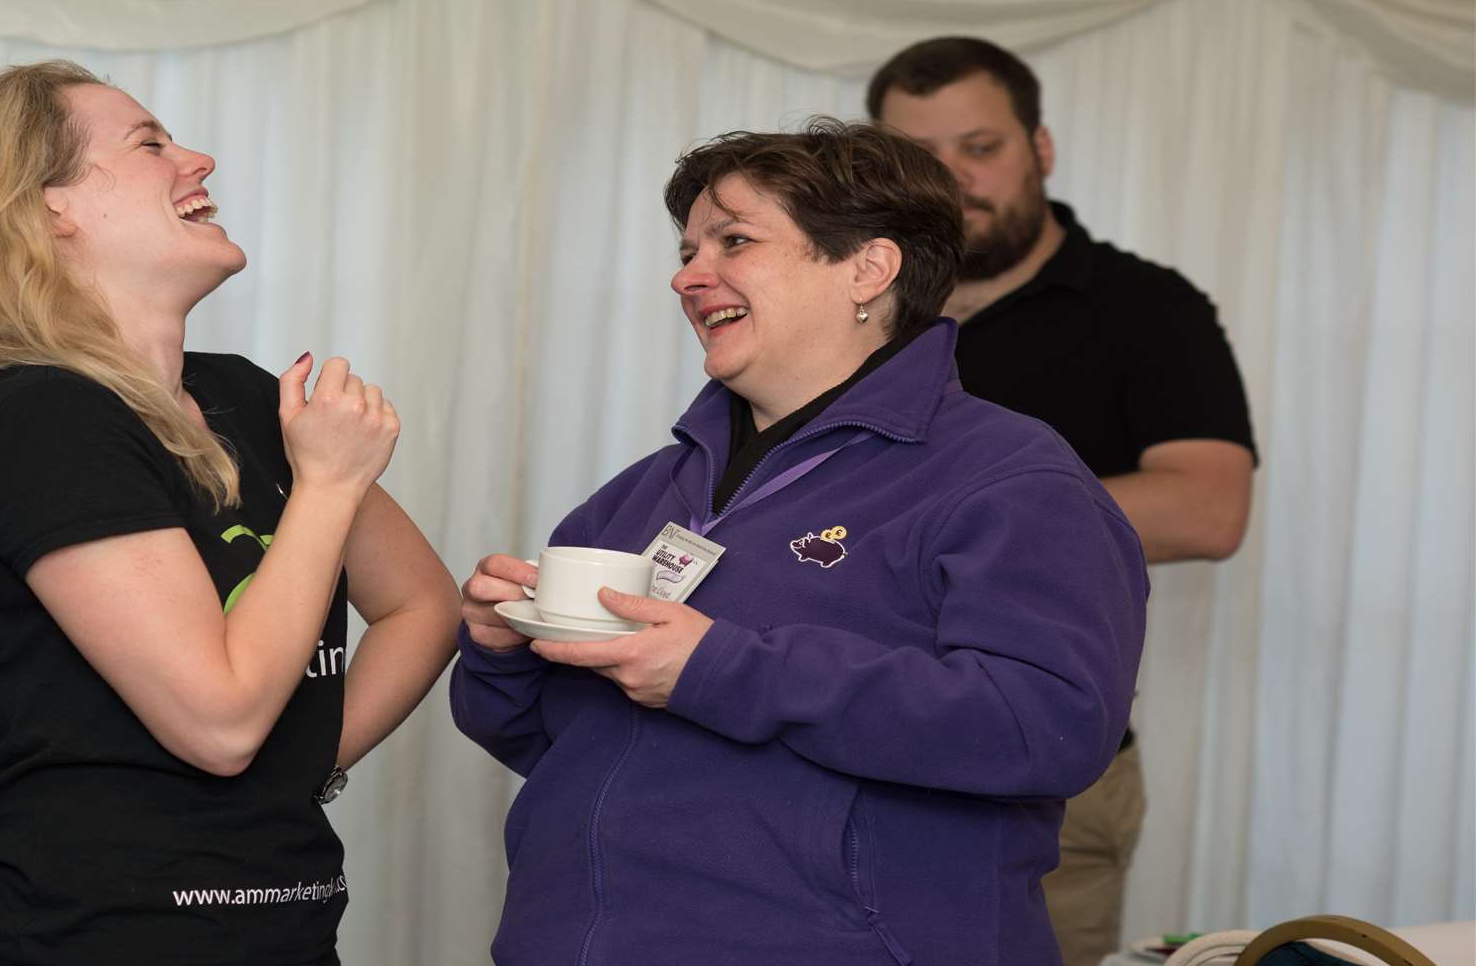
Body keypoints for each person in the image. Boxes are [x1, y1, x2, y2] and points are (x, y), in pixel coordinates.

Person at [451, 119, 1148, 964]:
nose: (686, 276)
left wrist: (724, 672)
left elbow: (1050, 727)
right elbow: (550, 744)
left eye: (733, 241)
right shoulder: (640, 494)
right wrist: (502, 651)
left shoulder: (1012, 479)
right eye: (687, 249)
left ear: (869, 267)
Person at [0, 60, 460, 965]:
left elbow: (424, 605)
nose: (201, 159)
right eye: (151, 143)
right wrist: (329, 487)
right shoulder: (43, 415)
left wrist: (300, 763)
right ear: (43, 208)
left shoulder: (248, 398)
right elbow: (224, 725)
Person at [870, 36, 1258, 966]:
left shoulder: (1147, 307)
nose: (953, 180)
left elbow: (1209, 508)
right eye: (921, 158)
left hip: (1041, 760)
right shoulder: (854, 306)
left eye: (980, 147)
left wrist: (950, 522)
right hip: (842, 739)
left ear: (1040, 147)